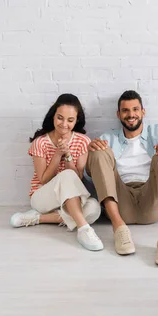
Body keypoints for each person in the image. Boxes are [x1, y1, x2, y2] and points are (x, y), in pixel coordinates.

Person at [86, 90, 158, 266]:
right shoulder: (107, 138)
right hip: (120, 202)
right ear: (118, 114)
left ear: (143, 112)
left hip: (152, 202)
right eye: (125, 110)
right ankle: (119, 229)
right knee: (98, 151)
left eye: (135, 109)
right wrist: (91, 153)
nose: (131, 114)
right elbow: (90, 172)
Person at [10, 93, 104, 251]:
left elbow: (78, 178)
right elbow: (44, 179)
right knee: (66, 176)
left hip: (71, 198)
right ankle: (84, 229)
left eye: (70, 120)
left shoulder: (82, 142)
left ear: (76, 121)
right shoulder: (40, 143)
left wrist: (67, 156)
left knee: (94, 208)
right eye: (60, 118)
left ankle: (37, 219)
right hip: (43, 197)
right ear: (53, 116)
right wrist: (57, 154)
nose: (64, 124)